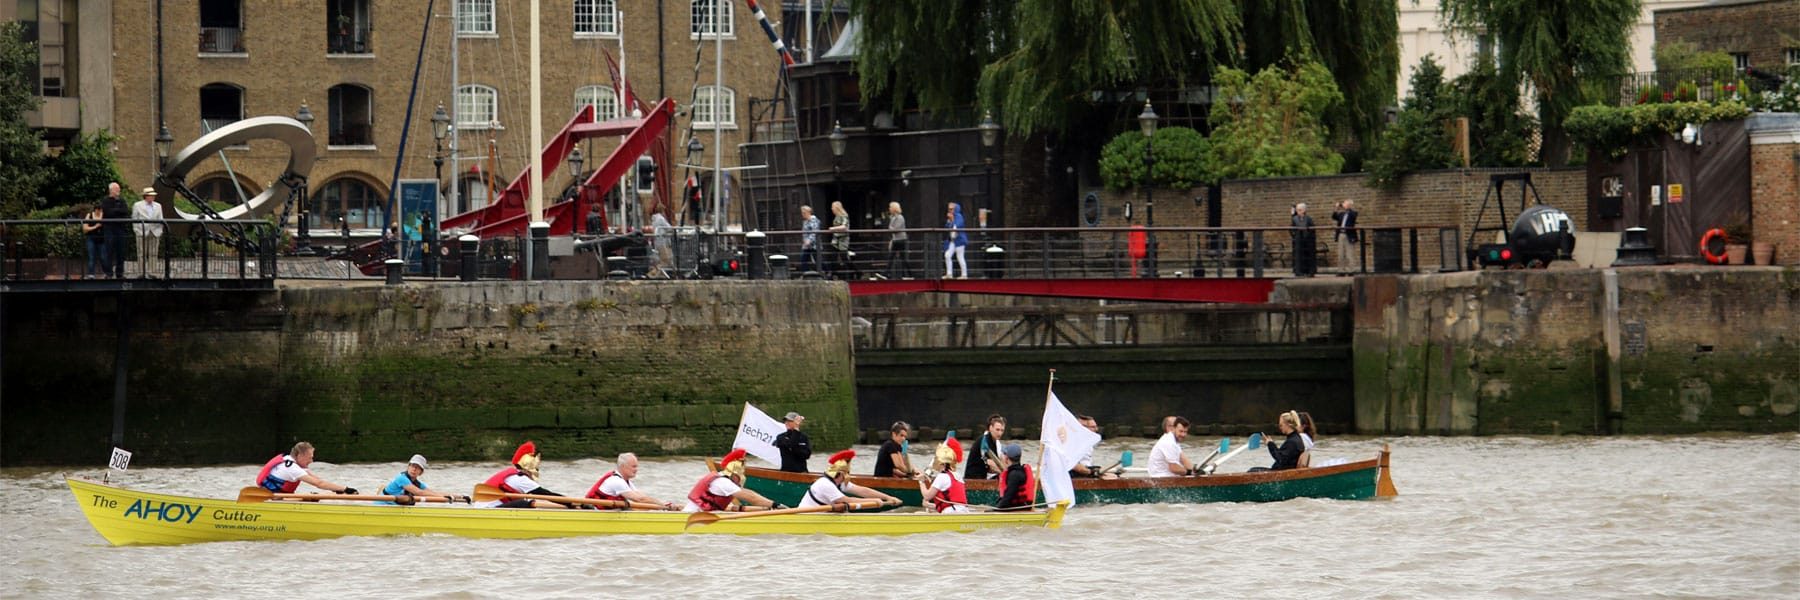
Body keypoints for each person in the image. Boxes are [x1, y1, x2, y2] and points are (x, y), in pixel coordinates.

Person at [798, 450, 902, 511]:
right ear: (841, 474)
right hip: (806, 516)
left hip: (822, 516)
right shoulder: (825, 484)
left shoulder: (839, 483)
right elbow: (848, 500)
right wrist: (874, 501)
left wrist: (888, 497)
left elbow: (862, 491)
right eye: (847, 473)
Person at [479, 441, 573, 508]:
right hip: (488, 509)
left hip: (491, 507)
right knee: (523, 503)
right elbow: (546, 494)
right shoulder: (519, 478)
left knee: (526, 503)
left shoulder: (512, 474)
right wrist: (571, 503)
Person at [683, 449, 782, 512]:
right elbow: (750, 497)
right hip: (694, 517)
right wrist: (775, 505)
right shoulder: (723, 482)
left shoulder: (722, 478)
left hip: (704, 516)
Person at [585, 453, 680, 510]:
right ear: (623, 466)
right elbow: (639, 500)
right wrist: (663, 506)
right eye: (634, 466)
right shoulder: (616, 481)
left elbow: (642, 497)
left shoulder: (626, 481)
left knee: (644, 508)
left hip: (610, 512)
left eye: (637, 466)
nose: (636, 469)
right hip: (594, 511)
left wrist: (665, 505)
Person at [254, 441, 356, 495]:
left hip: (279, 496)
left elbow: (318, 480)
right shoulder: (291, 467)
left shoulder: (290, 460)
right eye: (309, 458)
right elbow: (319, 484)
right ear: (300, 455)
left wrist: (337, 489)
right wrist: (345, 489)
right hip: (272, 498)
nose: (311, 461)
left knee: (312, 497)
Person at [378, 454, 469, 505]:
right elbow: (419, 493)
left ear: (421, 472)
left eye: (417, 468)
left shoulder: (418, 484)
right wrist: (442, 498)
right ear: (408, 466)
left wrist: (460, 496)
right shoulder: (401, 478)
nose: (414, 469)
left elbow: (433, 493)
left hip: (396, 509)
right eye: (413, 466)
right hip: (382, 507)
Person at [917, 438, 968, 513]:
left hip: (952, 512)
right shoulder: (958, 475)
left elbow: (927, 496)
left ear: (942, 463)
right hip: (963, 510)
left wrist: (921, 482)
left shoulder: (941, 477)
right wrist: (929, 505)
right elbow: (949, 503)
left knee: (918, 513)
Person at [1069, 415, 1117, 479]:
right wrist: (1092, 472)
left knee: (1114, 476)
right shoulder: (1070, 443)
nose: (1096, 429)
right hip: (1073, 475)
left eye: (1096, 426)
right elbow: (1072, 464)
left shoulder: (1088, 443)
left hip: (1085, 472)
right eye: (1093, 427)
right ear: (1083, 428)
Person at [132, 188, 165, 277]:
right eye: (151, 195)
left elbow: (161, 219)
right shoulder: (137, 205)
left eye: (153, 195)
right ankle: (141, 272)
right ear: (146, 196)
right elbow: (134, 219)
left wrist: (160, 231)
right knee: (141, 252)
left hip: (155, 232)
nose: (153, 197)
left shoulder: (158, 206)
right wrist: (137, 230)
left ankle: (152, 272)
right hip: (141, 231)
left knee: (154, 252)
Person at [99, 183, 129, 279]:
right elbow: (107, 212)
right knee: (109, 251)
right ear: (111, 190)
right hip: (109, 229)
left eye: (119, 189)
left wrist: (115, 211)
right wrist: (117, 211)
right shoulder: (105, 201)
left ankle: (120, 273)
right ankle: (109, 273)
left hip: (120, 229)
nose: (118, 191)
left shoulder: (122, 200)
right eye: (117, 189)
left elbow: (125, 211)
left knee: (121, 251)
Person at [964, 414, 1006, 480]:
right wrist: (1007, 473)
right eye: (997, 430)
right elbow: (990, 464)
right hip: (972, 479)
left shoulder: (995, 442)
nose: (1000, 433)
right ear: (990, 428)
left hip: (983, 477)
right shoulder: (985, 441)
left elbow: (999, 462)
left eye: (1002, 430)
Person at [994, 444, 1035, 511]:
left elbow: (1008, 497)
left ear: (1007, 458)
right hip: (1018, 507)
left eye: (1004, 454)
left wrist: (996, 509)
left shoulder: (1014, 475)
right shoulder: (1017, 472)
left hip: (1018, 508)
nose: (1002, 457)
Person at [1331, 200, 1360, 274]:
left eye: (1345, 203)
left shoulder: (1352, 213)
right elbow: (1334, 216)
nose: (1343, 204)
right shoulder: (1342, 214)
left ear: (1349, 205)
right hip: (1341, 234)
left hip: (1349, 235)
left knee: (1350, 253)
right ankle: (1341, 270)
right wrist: (1336, 208)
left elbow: (1354, 216)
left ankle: (1351, 270)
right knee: (1341, 253)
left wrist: (1348, 208)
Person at [942, 202, 968, 279]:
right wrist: (950, 220)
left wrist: (952, 219)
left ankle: (964, 274)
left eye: (951, 209)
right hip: (952, 240)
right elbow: (947, 227)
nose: (950, 211)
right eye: (949, 209)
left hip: (959, 240)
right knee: (947, 255)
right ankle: (949, 274)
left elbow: (957, 226)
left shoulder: (959, 216)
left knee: (960, 257)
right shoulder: (951, 217)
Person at [1290, 203, 1316, 277]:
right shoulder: (1294, 219)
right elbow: (1291, 229)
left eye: (1300, 210)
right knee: (1298, 256)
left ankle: (1309, 271)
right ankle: (1298, 271)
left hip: (1307, 241)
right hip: (1298, 240)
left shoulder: (1308, 218)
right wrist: (1295, 236)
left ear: (1304, 210)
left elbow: (1312, 228)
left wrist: (1308, 234)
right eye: (1297, 210)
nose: (1298, 211)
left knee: (1308, 256)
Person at [827, 201, 852, 278]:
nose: (831, 209)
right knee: (832, 257)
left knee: (844, 257)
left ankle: (855, 272)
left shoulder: (844, 216)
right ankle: (832, 273)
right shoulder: (836, 217)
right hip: (835, 241)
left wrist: (833, 229)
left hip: (842, 241)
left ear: (837, 208)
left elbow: (844, 227)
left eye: (833, 207)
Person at [884, 201, 908, 279]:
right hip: (896, 240)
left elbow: (896, 229)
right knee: (892, 257)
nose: (889, 209)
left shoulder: (900, 217)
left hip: (901, 240)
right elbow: (891, 228)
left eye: (890, 207)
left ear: (894, 208)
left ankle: (908, 274)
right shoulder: (893, 217)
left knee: (901, 257)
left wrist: (891, 228)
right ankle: (886, 273)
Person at [82, 205, 107, 280]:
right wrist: (95, 226)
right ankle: (91, 274)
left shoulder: (104, 215)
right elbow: (85, 229)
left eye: (100, 210)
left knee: (103, 257)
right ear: (95, 210)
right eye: (97, 210)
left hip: (101, 239)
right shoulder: (89, 215)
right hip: (91, 238)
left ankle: (106, 273)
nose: (99, 212)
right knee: (91, 256)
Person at [798, 205, 821, 274]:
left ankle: (826, 272)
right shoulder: (805, 222)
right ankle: (805, 274)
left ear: (807, 212)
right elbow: (804, 232)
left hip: (814, 245)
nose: (802, 214)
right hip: (806, 245)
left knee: (818, 260)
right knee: (803, 259)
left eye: (803, 213)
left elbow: (814, 231)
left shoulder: (814, 220)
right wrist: (805, 240)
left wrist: (809, 240)